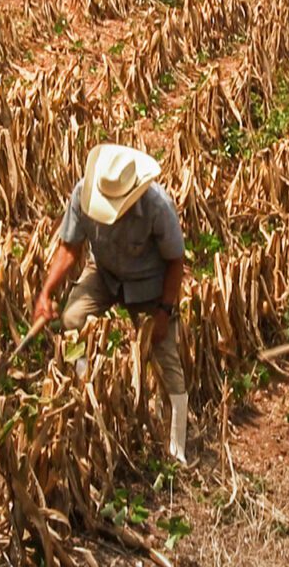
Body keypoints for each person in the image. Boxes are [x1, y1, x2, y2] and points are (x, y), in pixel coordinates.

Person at [33, 143, 189, 463]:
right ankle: (87, 390)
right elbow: (69, 248)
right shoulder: (82, 194)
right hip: (103, 273)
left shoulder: (158, 206)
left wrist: (163, 312)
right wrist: (46, 292)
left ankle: (177, 446)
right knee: (73, 320)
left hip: (148, 285)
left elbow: (176, 262)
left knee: (166, 360)